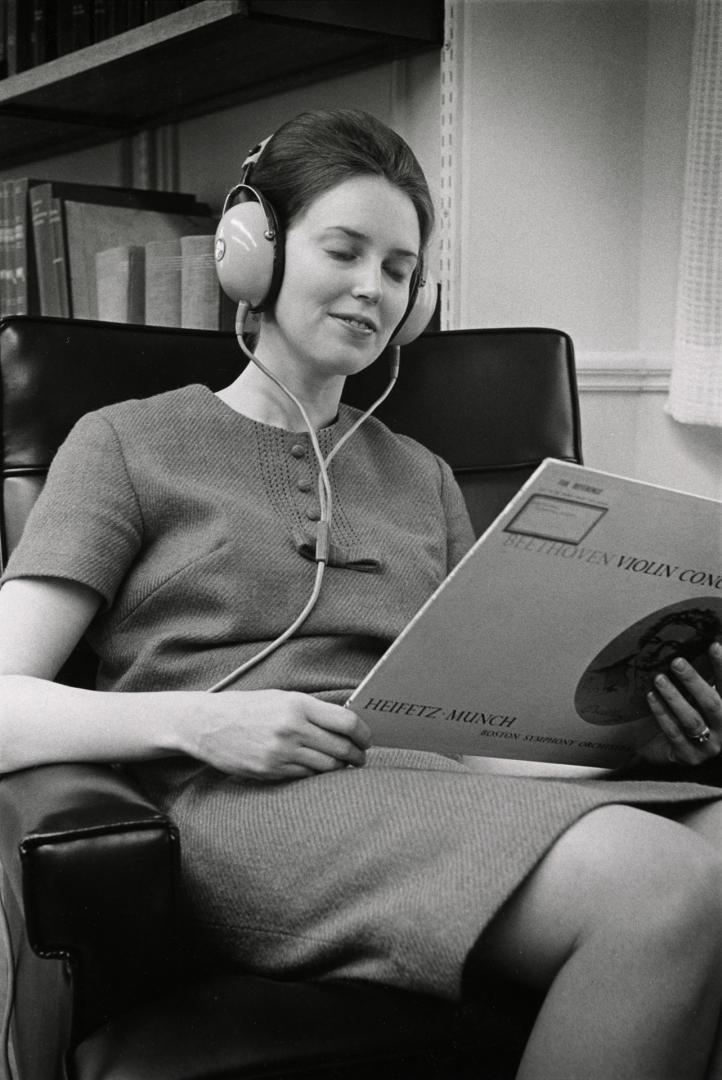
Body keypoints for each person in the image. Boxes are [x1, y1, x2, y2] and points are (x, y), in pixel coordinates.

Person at [1, 108, 722, 1079]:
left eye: (396, 269)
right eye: (344, 250)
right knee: (660, 889)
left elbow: (477, 739)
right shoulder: (124, 443)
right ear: (254, 251)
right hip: (243, 803)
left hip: (429, 784)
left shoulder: (424, 474)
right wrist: (201, 726)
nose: (370, 289)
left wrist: (616, 737)